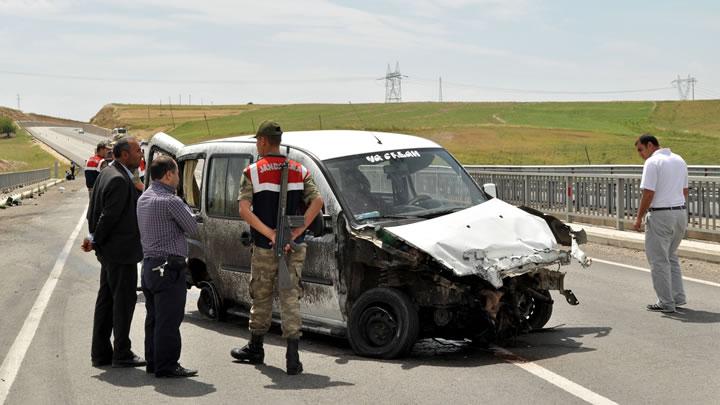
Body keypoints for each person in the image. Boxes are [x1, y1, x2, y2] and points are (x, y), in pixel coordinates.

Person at [230, 120, 323, 375]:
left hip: (264, 246)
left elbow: (243, 210)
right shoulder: (299, 169)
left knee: (260, 294)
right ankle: (292, 358)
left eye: (257, 141)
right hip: (294, 246)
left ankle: (256, 348)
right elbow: (317, 201)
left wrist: (270, 233)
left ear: (262, 141)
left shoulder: (253, 172)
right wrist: (297, 232)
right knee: (290, 297)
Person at [81, 136, 146, 368]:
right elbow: (106, 217)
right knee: (123, 302)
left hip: (109, 252)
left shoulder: (108, 173)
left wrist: (94, 241)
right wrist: (96, 240)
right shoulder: (118, 179)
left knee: (106, 301)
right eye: (138, 151)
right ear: (125, 154)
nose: (141, 155)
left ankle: (100, 353)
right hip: (120, 253)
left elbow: (92, 212)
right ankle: (122, 352)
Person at [137, 155, 198, 378]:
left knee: (153, 317)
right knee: (169, 320)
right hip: (170, 267)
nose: (179, 178)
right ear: (169, 174)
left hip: (149, 266)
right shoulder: (172, 201)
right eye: (178, 174)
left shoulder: (143, 198)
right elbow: (193, 228)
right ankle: (168, 365)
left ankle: (153, 361)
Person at [633, 134, 689, 313]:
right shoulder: (679, 159)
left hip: (661, 215)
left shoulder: (652, 163)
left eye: (641, 150)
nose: (641, 154)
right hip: (680, 213)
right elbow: (685, 190)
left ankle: (666, 302)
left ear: (650, 145)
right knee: (671, 256)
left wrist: (639, 218)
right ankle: (678, 297)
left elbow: (648, 194)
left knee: (658, 260)